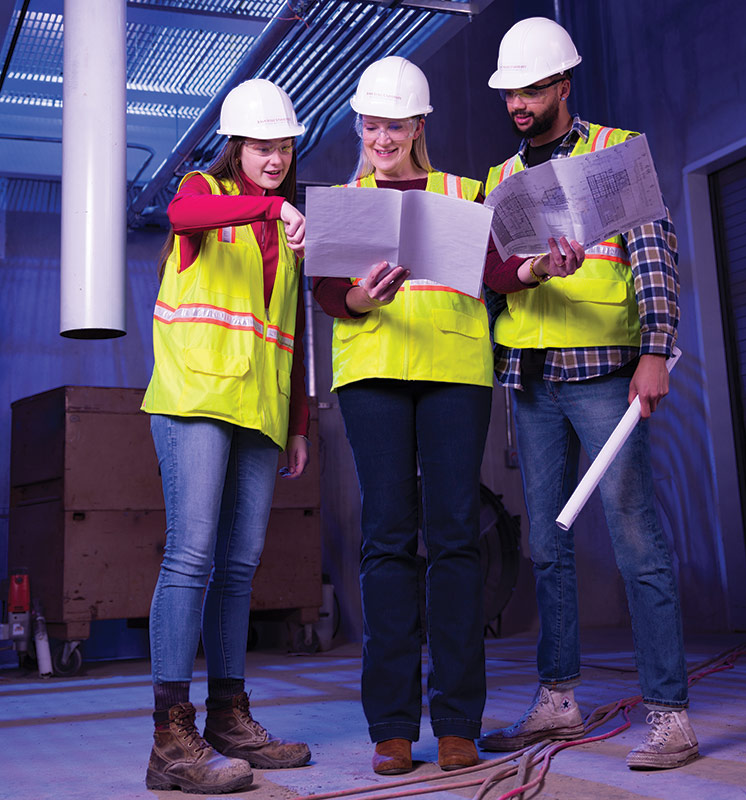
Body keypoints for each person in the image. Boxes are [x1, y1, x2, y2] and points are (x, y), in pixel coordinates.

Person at [478, 18, 698, 770]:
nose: (519, 103)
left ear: (563, 85)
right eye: (511, 91)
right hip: (533, 380)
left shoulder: (612, 152)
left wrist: (657, 350)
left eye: (533, 88)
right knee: (546, 546)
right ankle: (559, 699)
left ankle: (670, 715)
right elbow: (492, 276)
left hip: (608, 368)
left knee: (638, 540)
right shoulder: (499, 178)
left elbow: (654, 254)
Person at [313, 56, 492, 776]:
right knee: (387, 537)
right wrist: (362, 299)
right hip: (373, 375)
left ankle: (456, 721)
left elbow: (501, 270)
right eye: (371, 123)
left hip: (453, 371)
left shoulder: (463, 192)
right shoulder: (345, 197)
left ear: (420, 125)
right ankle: (391, 725)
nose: (381, 137)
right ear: (360, 124)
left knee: (454, 537)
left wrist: (540, 267)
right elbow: (328, 293)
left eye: (395, 124)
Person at [141, 79, 312, 794]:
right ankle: (169, 737)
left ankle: (228, 715)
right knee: (192, 555)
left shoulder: (289, 231)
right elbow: (181, 214)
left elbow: (294, 334)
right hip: (196, 397)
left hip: (260, 412)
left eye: (284, 147)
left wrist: (299, 424)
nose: (274, 158)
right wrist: (272, 203)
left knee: (239, 565)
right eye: (262, 146)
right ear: (237, 145)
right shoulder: (203, 191)